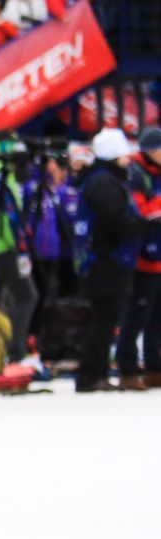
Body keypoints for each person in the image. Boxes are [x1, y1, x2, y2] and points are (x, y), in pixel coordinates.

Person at [74, 128, 141, 390]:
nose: (128, 160)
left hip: (103, 259)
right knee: (104, 320)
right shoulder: (104, 182)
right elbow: (113, 218)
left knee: (105, 319)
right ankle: (91, 376)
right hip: (106, 261)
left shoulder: (99, 179)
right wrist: (139, 227)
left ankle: (95, 373)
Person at [115, 128, 161, 389]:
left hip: (159, 256)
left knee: (157, 319)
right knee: (136, 317)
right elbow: (139, 211)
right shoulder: (136, 174)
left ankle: (155, 368)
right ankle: (128, 370)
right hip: (144, 257)